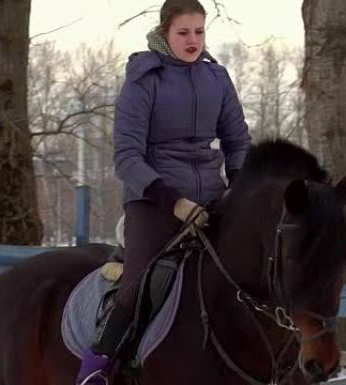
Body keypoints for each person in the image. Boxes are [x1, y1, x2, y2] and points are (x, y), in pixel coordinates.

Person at [75, 1, 251, 384]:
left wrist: (240, 184)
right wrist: (175, 201)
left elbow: (237, 140)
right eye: (183, 33)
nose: (192, 41)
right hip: (154, 201)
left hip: (213, 198)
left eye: (199, 32)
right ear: (165, 33)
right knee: (137, 285)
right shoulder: (143, 79)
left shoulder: (217, 78)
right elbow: (126, 157)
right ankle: (98, 368)